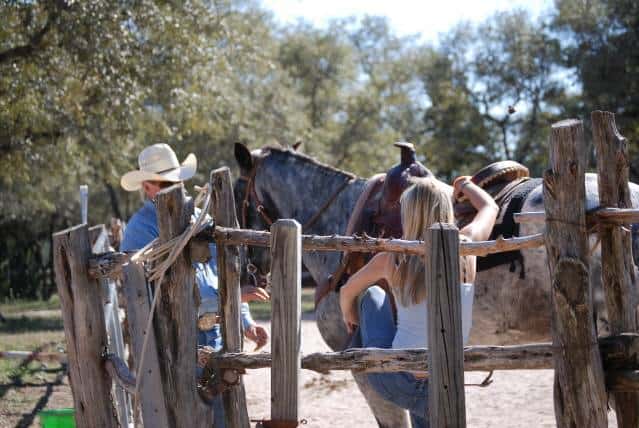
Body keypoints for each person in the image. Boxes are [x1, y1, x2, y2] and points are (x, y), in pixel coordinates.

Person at [120, 143, 269, 426]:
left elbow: (219, 273)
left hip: (214, 339)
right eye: (165, 182)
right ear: (148, 187)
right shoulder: (140, 230)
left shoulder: (201, 219)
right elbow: (160, 297)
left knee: (224, 416)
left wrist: (245, 322)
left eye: (176, 180)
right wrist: (234, 298)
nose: (175, 187)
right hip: (174, 344)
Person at [339, 176, 498, 428]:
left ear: (410, 214)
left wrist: (349, 315)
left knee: (373, 296)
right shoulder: (468, 247)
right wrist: (465, 185)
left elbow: (347, 290)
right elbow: (490, 207)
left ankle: (362, 359)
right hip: (446, 378)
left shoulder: (393, 258)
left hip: (399, 380)